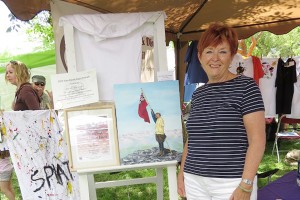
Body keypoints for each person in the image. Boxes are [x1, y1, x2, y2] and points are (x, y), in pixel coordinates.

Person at [177, 22, 266, 200]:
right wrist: (182, 173)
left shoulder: (246, 87)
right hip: (194, 180)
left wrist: (246, 184)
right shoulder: (198, 94)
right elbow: (192, 139)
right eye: (209, 51)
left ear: (232, 56)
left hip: (231, 183)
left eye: (222, 51)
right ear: (200, 57)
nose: (215, 58)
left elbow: (257, 141)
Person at [1, 60, 41, 199]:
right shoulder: (21, 91)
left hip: (31, 144)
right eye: (6, 73)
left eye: (10, 72)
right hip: (26, 144)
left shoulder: (25, 89)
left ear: (20, 72)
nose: (7, 75)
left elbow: (37, 114)